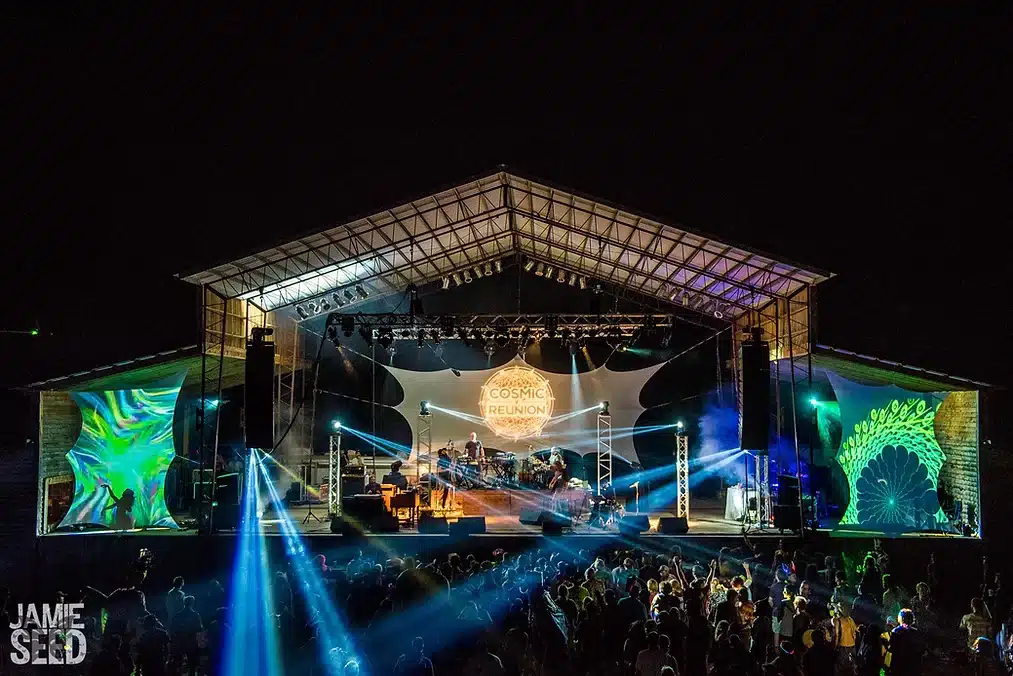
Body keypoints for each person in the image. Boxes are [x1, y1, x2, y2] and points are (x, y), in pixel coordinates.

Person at [169, 595, 203, 676]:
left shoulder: (177, 615)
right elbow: (199, 629)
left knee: (179, 664)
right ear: (192, 603)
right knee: (192, 665)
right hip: (191, 642)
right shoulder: (195, 615)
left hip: (180, 642)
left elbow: (173, 629)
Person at [889, 609, 923, 675]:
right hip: (913, 666)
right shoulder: (916, 632)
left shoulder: (896, 631)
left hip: (899, 665)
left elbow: (892, 647)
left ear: (901, 618)